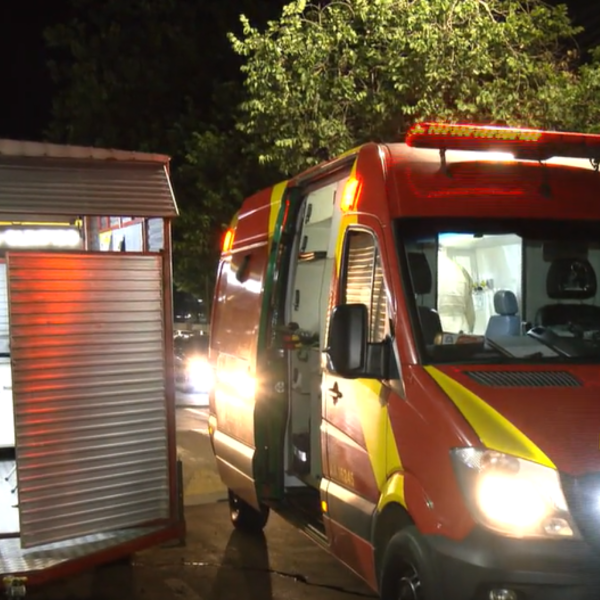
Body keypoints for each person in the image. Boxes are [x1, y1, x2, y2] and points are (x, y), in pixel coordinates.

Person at [437, 248, 476, 334]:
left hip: (436, 330)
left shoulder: (428, 269)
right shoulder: (460, 269)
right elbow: (470, 314)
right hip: (461, 330)